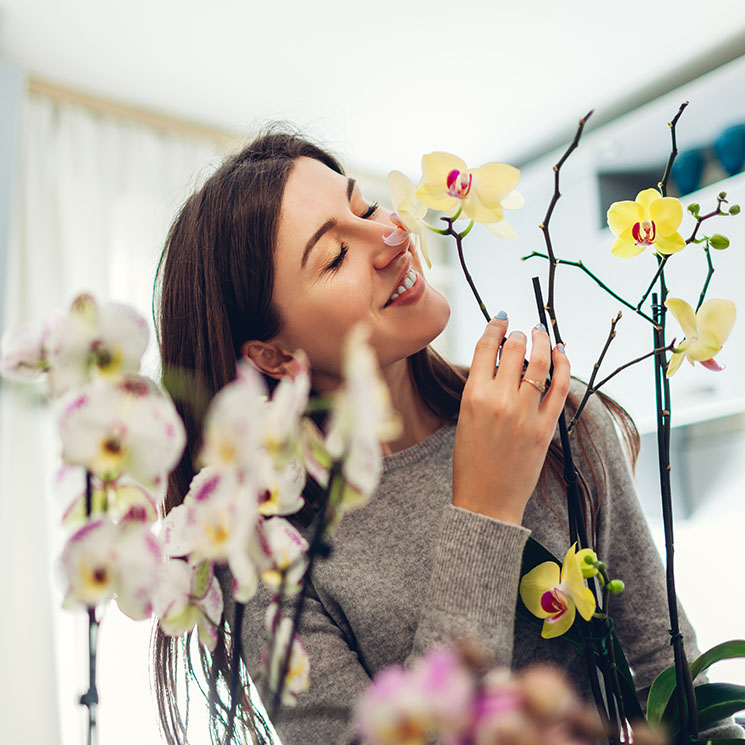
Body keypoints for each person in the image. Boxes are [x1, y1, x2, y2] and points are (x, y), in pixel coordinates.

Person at [153, 130, 706, 745]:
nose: (389, 239)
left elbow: (671, 667)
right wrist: (484, 508)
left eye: (364, 208)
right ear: (275, 355)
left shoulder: (545, 413)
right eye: (335, 255)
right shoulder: (272, 562)